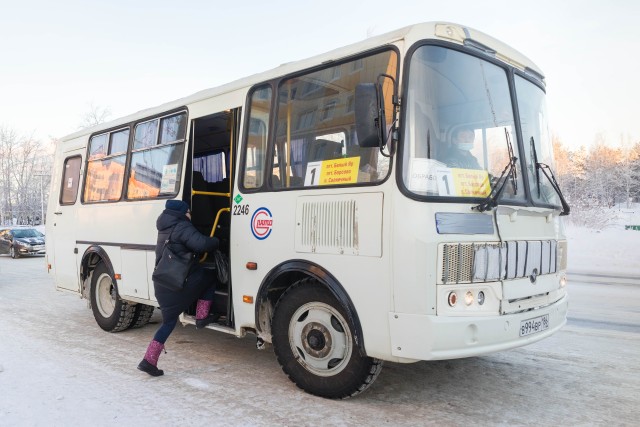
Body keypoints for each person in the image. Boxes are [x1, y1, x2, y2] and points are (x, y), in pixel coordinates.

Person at [137, 199, 220, 377]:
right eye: (189, 212)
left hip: (162, 282)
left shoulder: (164, 227)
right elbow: (202, 244)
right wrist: (216, 240)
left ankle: (149, 360)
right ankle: (201, 315)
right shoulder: (182, 226)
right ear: (183, 213)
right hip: (175, 284)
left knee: (168, 322)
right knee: (210, 277)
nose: (190, 214)